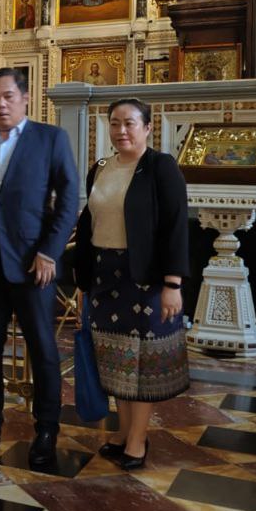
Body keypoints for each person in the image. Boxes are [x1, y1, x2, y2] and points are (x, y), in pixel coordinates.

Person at [71, 98, 190, 471]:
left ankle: (138, 440)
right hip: (105, 275)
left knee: (141, 365)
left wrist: (173, 283)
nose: (121, 131)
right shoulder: (101, 167)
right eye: (115, 123)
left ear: (148, 127)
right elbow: (88, 226)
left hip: (146, 279)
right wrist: (82, 281)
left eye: (130, 123)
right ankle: (123, 431)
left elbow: (175, 225)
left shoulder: (160, 167)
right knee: (115, 359)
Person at [0, 69, 78, 466]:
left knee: (44, 350)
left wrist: (50, 251)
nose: (1, 104)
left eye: (8, 97)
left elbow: (68, 198)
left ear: (25, 98)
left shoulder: (50, 139)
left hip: (35, 266)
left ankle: (47, 428)